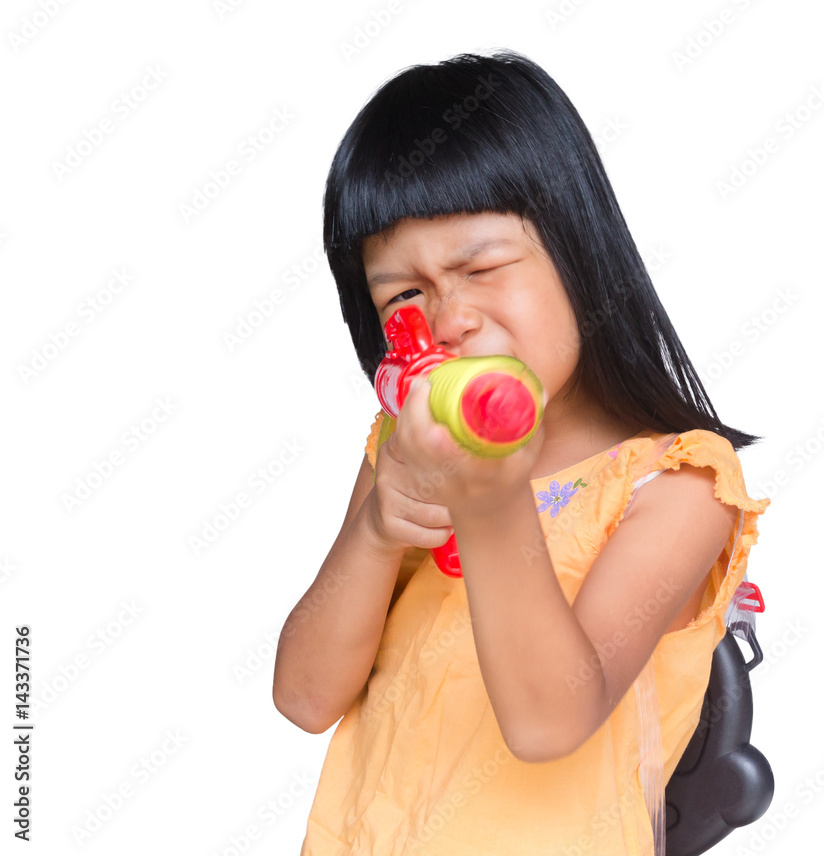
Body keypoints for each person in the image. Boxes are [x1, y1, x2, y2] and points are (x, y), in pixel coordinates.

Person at [273, 48, 771, 856]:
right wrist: (376, 532)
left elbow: (549, 723)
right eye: (404, 294)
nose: (449, 319)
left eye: (481, 267)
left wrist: (490, 501)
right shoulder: (405, 450)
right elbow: (303, 697)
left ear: (578, 251)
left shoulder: (678, 483)